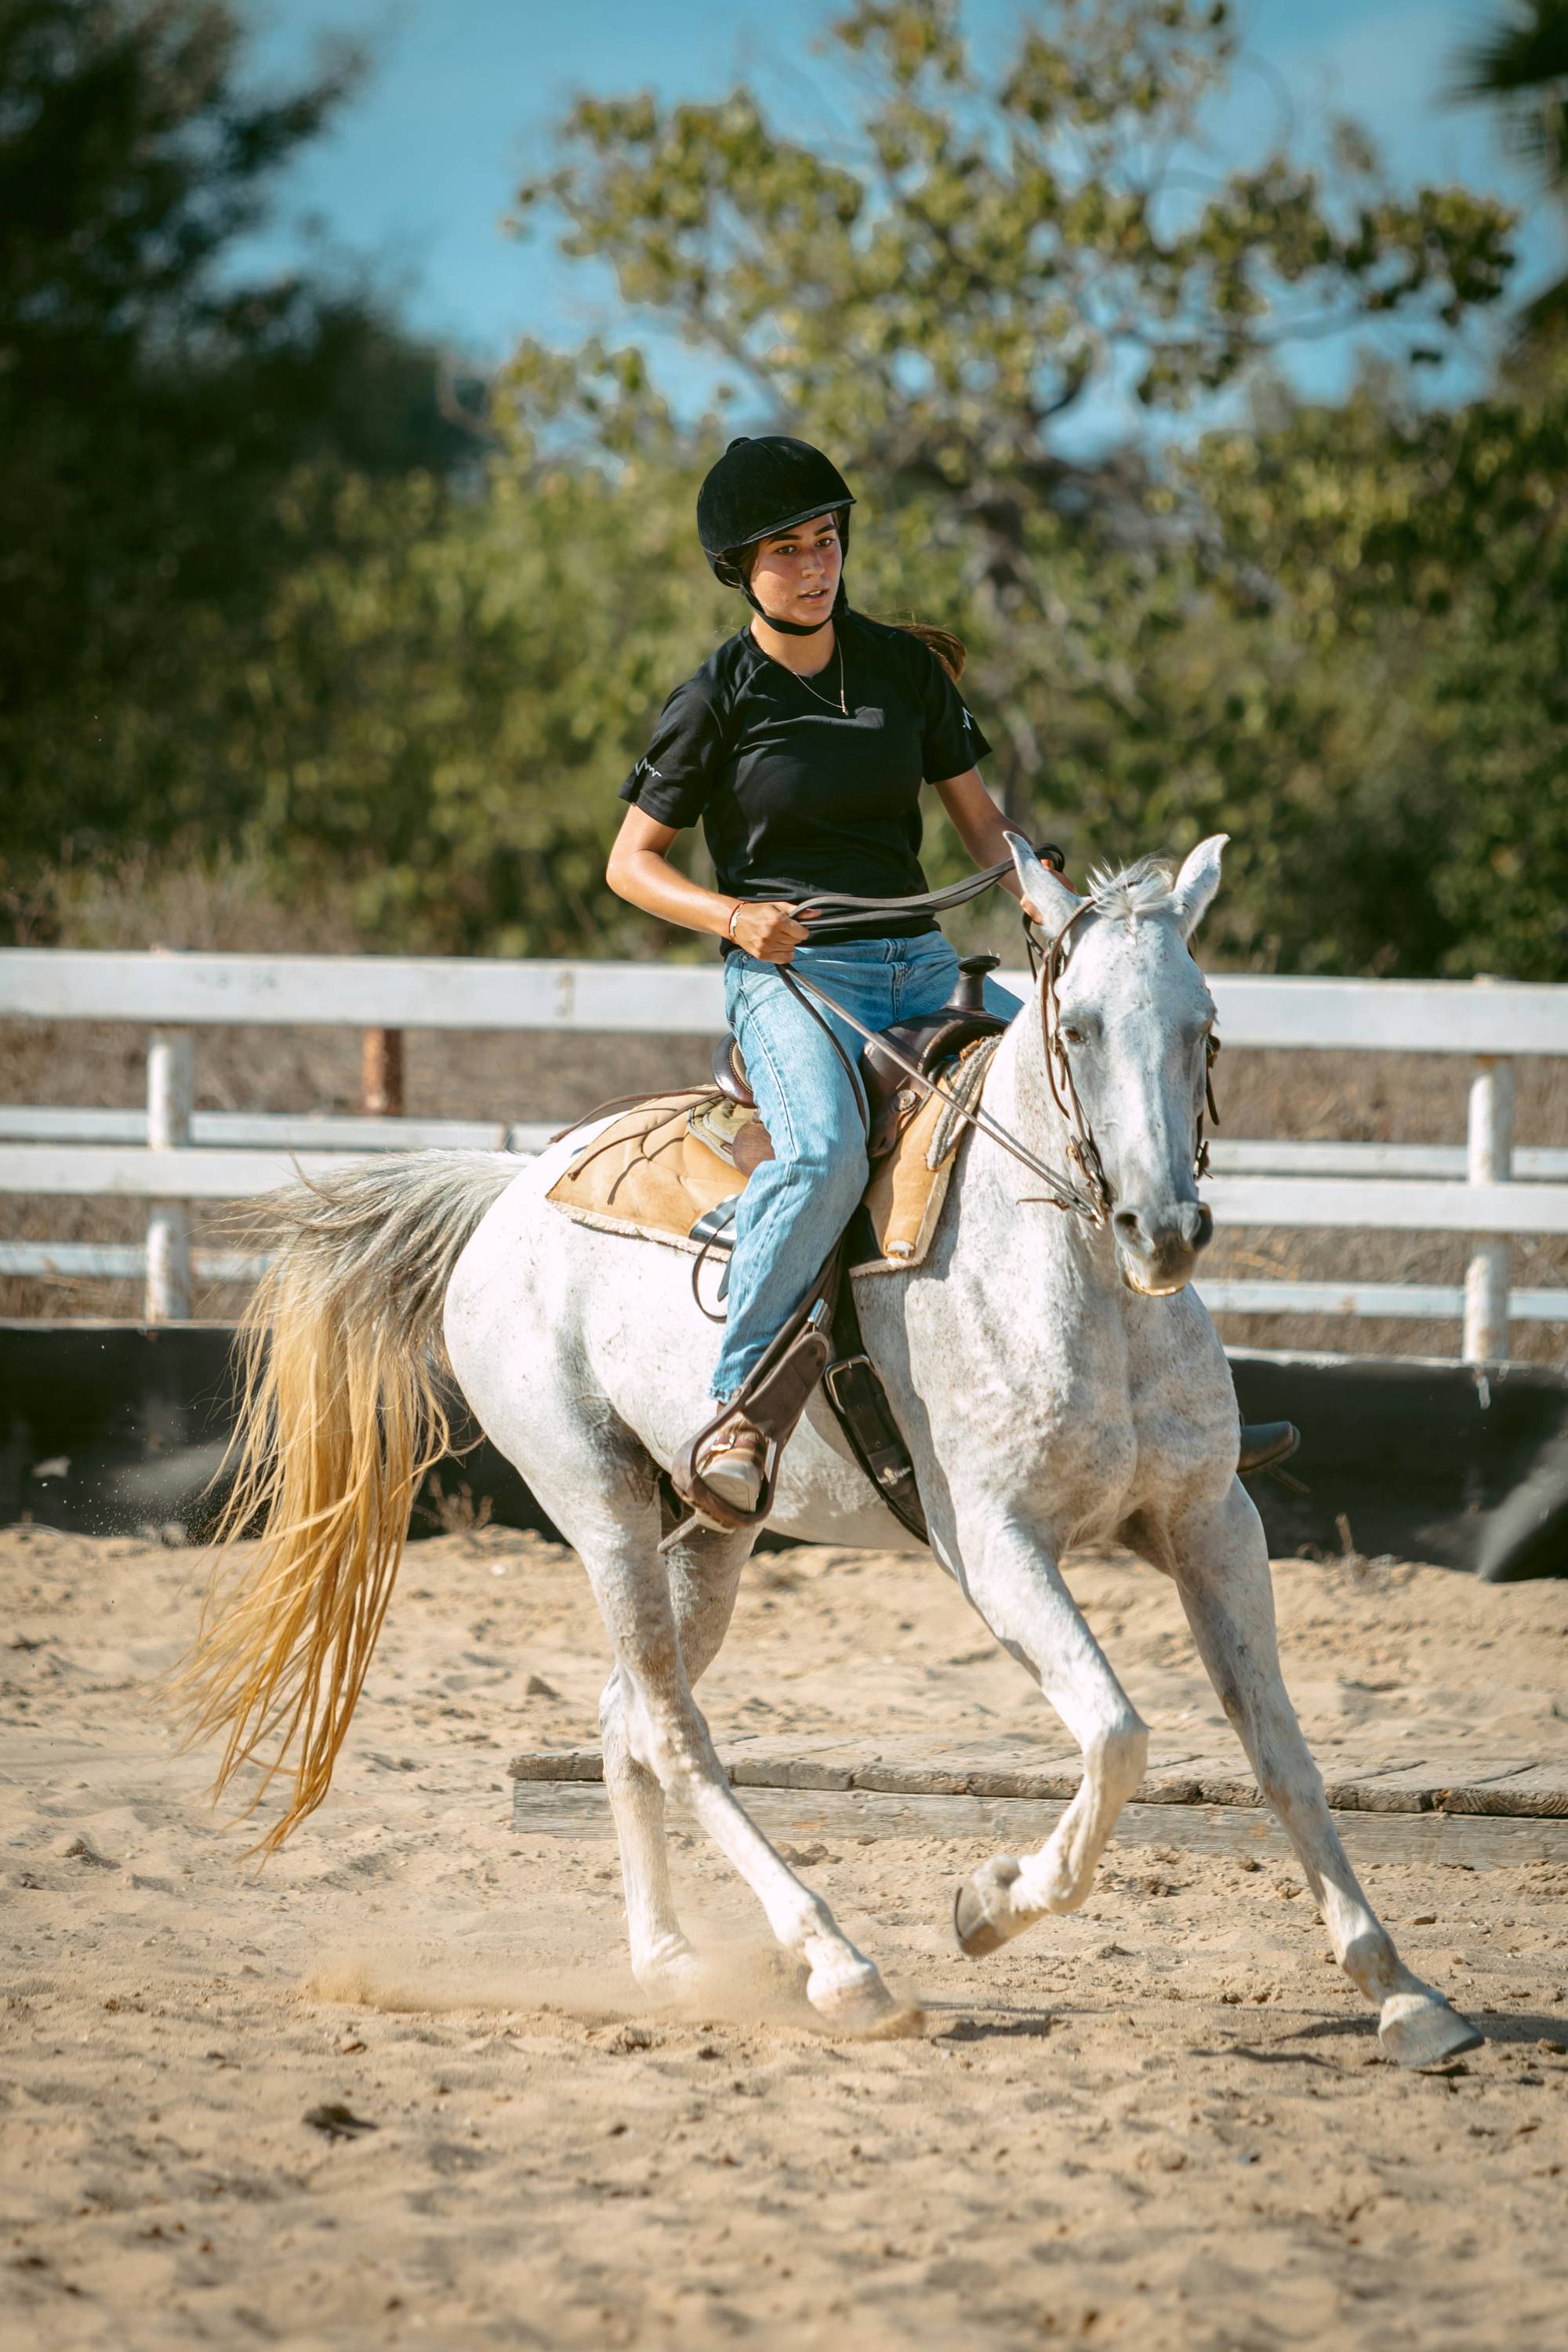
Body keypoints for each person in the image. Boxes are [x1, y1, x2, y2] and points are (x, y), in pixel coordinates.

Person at [605, 434, 1030, 1515]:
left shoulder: (903, 669)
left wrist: (1045, 900)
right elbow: (631, 866)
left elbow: (983, 827)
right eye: (787, 549)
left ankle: (1160, 1388)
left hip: (922, 960)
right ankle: (737, 1408)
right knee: (826, 1152)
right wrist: (737, 917)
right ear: (741, 570)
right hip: (794, 981)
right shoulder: (715, 696)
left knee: (1080, 1092)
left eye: (827, 539)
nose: (815, 564)